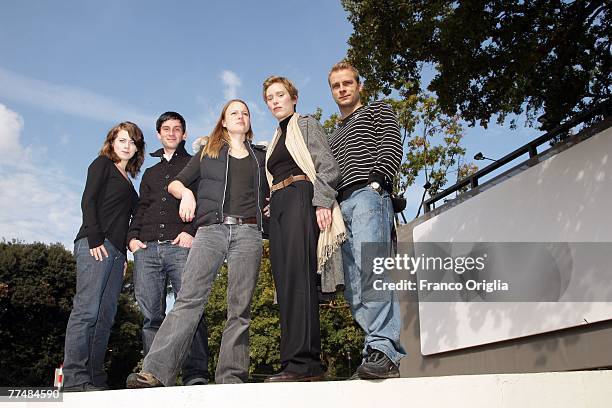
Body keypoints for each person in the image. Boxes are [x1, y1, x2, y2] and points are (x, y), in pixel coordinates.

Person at [126, 99, 268, 387]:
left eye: (245, 113)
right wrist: (188, 195)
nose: (240, 117)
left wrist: (269, 204)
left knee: (239, 309)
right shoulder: (209, 151)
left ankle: (231, 377)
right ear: (224, 122)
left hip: (248, 233)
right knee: (188, 301)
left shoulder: (260, 157)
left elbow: (271, 191)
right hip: (211, 231)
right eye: (234, 113)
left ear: (249, 121)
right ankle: (155, 372)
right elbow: (176, 183)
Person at [262, 76, 344, 382]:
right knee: (284, 284)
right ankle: (293, 363)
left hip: (301, 198)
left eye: (280, 95)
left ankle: (304, 363)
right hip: (281, 205)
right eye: (269, 98)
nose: (275, 101)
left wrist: (322, 202)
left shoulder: (306, 124)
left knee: (299, 277)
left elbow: (328, 166)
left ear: (293, 98)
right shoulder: (275, 136)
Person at [327, 61, 406, 379]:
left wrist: (378, 181)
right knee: (354, 286)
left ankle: (386, 350)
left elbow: (392, 142)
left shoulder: (377, 110)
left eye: (347, 83)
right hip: (339, 208)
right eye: (336, 85)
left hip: (368, 196)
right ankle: (373, 350)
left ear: (359, 86)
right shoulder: (332, 135)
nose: (342, 89)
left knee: (373, 271)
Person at [127, 112, 210, 386]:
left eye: (177, 129)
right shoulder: (150, 173)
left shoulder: (194, 164)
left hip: (181, 247)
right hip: (147, 248)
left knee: (191, 311)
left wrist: (191, 231)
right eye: (166, 129)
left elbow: (206, 201)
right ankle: (153, 376)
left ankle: (195, 374)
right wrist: (132, 238)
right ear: (159, 134)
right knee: (151, 315)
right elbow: (141, 208)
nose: (172, 133)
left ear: (184, 134)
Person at [62, 122, 145, 391]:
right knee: (86, 311)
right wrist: (96, 238)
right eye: (122, 140)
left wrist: (121, 255)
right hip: (94, 244)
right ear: (111, 142)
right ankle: (75, 379)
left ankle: (94, 378)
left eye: (132, 142)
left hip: (116, 253)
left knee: (105, 316)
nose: (127, 146)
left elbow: (126, 220)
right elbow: (88, 200)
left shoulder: (129, 182)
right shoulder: (101, 165)